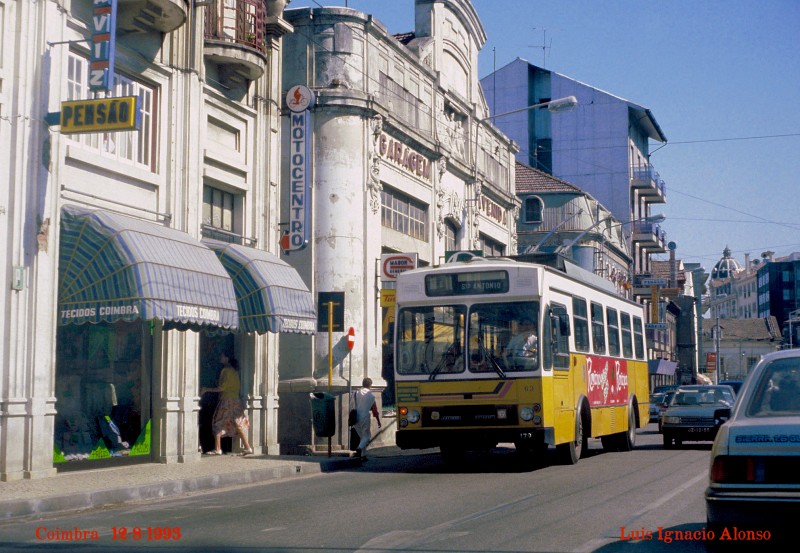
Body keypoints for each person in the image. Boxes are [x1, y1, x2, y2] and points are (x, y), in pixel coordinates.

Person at [200, 353, 253, 456]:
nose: (220, 357)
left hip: (226, 401)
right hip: (236, 401)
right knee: (238, 424)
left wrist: (206, 389)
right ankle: (247, 447)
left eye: (222, 356)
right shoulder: (235, 371)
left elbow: (222, 388)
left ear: (227, 358)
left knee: (218, 423)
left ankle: (218, 449)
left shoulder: (225, 371)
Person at [351, 377, 381, 461]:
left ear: (362, 384)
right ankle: (359, 448)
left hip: (356, 417)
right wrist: (378, 421)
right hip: (365, 417)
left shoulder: (356, 393)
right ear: (370, 385)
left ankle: (363, 455)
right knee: (367, 436)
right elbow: (375, 410)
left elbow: (352, 405)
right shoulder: (371, 396)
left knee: (362, 437)